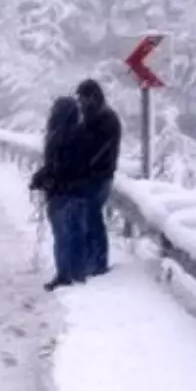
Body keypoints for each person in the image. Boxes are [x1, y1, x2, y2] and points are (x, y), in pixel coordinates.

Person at [29, 96, 92, 291]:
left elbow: (54, 167)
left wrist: (40, 179)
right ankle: (79, 272)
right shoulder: (85, 135)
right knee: (78, 234)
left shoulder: (56, 137)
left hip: (60, 194)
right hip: (81, 192)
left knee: (62, 236)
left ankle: (64, 275)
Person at [76, 78, 122, 276]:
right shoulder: (89, 117)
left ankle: (98, 262)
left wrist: (87, 165)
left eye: (83, 98)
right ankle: (89, 261)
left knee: (92, 217)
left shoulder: (106, 119)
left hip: (101, 176)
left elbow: (101, 149)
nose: (80, 102)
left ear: (93, 96)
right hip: (88, 176)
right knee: (87, 218)